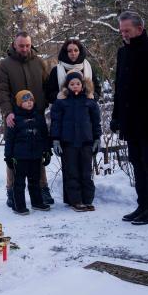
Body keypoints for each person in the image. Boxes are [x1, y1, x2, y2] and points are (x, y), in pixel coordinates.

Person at [110, 11, 148, 225]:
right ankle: (142, 205)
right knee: (136, 162)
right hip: (129, 119)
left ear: (139, 29)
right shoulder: (122, 53)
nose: (123, 34)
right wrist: (116, 116)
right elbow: (119, 87)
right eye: (121, 31)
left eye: (127, 30)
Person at [0, 31, 54, 207]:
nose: (25, 49)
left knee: (38, 152)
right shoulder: (5, 65)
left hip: (36, 116)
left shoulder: (39, 62)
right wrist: (8, 112)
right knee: (14, 154)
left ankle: (42, 189)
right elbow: (1, 91)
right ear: (14, 44)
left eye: (28, 45)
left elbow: (47, 86)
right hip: (15, 118)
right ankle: (12, 191)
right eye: (21, 46)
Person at [50, 72, 102, 212]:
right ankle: (76, 200)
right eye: (72, 84)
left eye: (78, 83)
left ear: (82, 84)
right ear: (67, 85)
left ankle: (87, 199)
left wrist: (97, 138)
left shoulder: (89, 101)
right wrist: (55, 140)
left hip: (86, 142)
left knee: (86, 172)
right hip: (68, 143)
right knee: (72, 172)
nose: (75, 86)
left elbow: (96, 122)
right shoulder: (61, 102)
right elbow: (56, 122)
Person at [4, 90, 52, 215]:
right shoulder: (14, 119)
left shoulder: (39, 117)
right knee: (19, 182)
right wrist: (8, 157)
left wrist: (47, 151)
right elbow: (9, 139)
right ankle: (18, 205)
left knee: (35, 180)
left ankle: (37, 202)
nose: (29, 103)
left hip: (36, 155)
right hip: (20, 157)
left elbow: (44, 135)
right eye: (25, 101)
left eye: (31, 100)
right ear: (19, 104)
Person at [45, 38, 102, 105]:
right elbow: (49, 94)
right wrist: (58, 96)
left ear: (80, 51)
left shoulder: (87, 67)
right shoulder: (56, 70)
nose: (73, 53)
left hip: (85, 111)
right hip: (64, 112)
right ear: (65, 52)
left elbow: (97, 89)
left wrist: (93, 96)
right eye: (70, 51)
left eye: (76, 50)